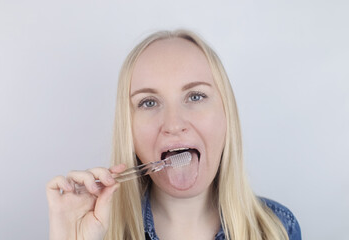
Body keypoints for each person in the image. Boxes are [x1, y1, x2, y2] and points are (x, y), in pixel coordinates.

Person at [46, 30, 301, 240]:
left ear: (227, 117)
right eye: (148, 102)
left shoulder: (277, 229)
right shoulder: (98, 233)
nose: (173, 124)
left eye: (196, 96)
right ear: (129, 129)